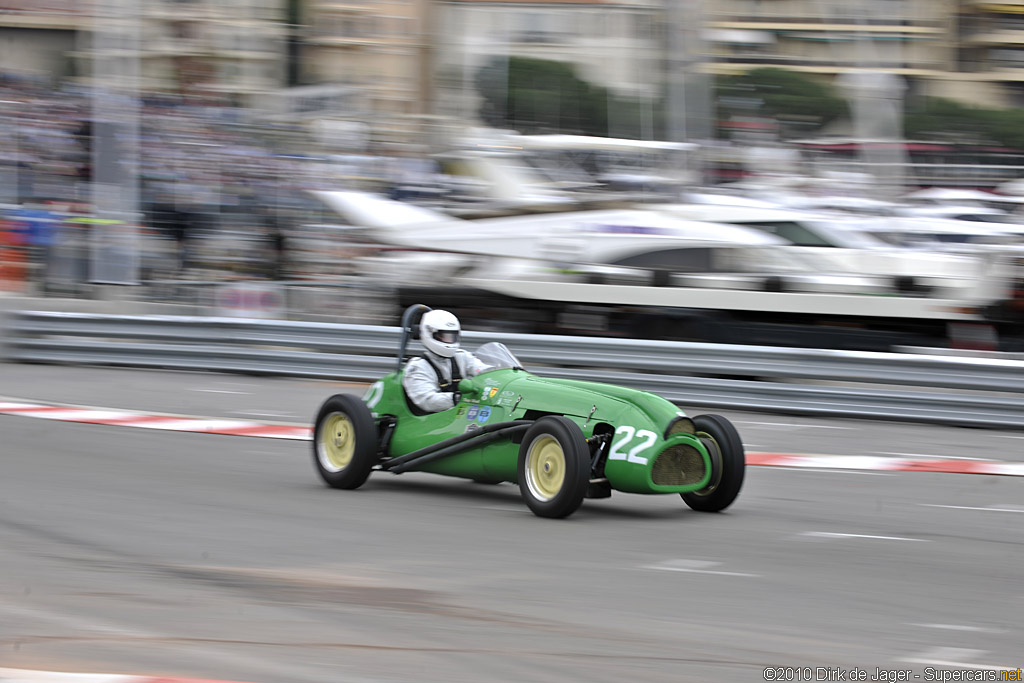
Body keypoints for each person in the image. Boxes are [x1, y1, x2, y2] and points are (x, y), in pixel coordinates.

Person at [402, 310, 485, 413]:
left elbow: (484, 371)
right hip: (432, 421)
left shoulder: (462, 356)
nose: (448, 340)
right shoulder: (417, 367)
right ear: (429, 334)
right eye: (443, 336)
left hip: (460, 415)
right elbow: (428, 400)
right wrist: (458, 398)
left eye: (451, 336)